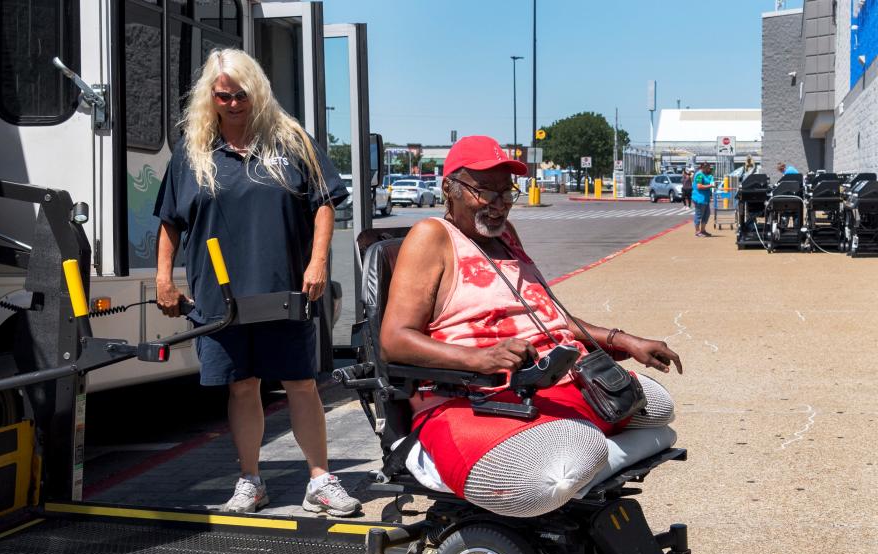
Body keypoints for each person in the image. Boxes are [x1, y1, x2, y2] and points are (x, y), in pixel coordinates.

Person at [379, 135, 682, 518]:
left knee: (658, 405)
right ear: (448, 189)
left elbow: (551, 313)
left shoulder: (506, 237)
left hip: (547, 383)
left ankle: (576, 465)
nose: (499, 205)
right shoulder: (432, 237)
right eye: (485, 192)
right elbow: (394, 340)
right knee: (582, 451)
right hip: (474, 398)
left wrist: (622, 340)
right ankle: (571, 464)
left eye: (507, 193)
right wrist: (480, 358)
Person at [154, 49, 360, 516]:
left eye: (242, 94)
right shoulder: (193, 152)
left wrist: (318, 261)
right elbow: (169, 221)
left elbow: (325, 202)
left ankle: (320, 479)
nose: (233, 103)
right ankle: (250, 481)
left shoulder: (289, 141)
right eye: (223, 95)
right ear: (211, 97)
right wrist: (164, 277)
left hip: (286, 286)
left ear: (258, 91)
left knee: (300, 382)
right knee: (242, 386)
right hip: (220, 295)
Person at [691, 162, 716, 237]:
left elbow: (709, 179)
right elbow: (699, 186)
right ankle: (697, 231)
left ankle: (703, 230)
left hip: (705, 198)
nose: (709, 169)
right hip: (699, 198)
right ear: (703, 167)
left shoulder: (706, 174)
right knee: (699, 214)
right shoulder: (699, 175)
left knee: (706, 214)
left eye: (709, 167)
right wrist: (710, 186)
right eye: (708, 167)